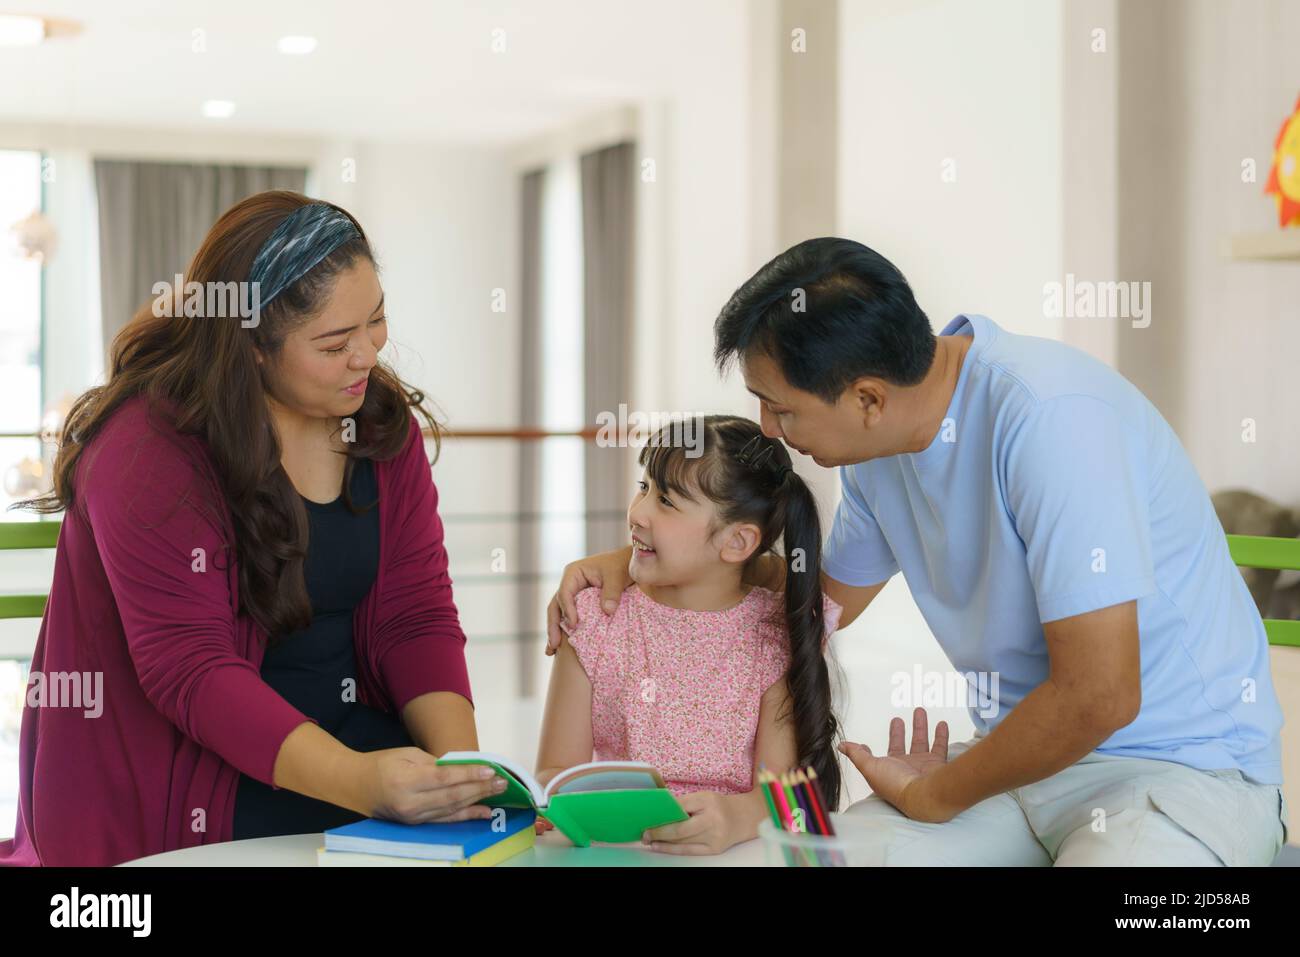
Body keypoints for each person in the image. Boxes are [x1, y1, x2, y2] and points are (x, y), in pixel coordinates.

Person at [548, 237, 1288, 866]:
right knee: (814, 863)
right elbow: (817, 594)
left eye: (782, 407)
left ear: (867, 397)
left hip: (1181, 774)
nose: (769, 430)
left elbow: (1101, 694)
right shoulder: (882, 452)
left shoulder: (1053, 423)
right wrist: (642, 562)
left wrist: (940, 791)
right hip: (1018, 768)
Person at [1, 191, 503, 867]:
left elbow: (415, 615)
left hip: (351, 759)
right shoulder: (147, 450)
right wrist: (362, 783)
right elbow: (192, 671)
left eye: (376, 320)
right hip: (199, 786)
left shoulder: (377, 424)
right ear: (255, 347)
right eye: (334, 342)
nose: (367, 356)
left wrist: (457, 773)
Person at [536, 415, 842, 854]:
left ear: (737, 543)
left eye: (667, 501)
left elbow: (791, 797)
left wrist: (737, 817)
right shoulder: (593, 619)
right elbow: (554, 773)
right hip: (620, 852)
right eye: (643, 487)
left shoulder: (774, 634)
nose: (637, 513)